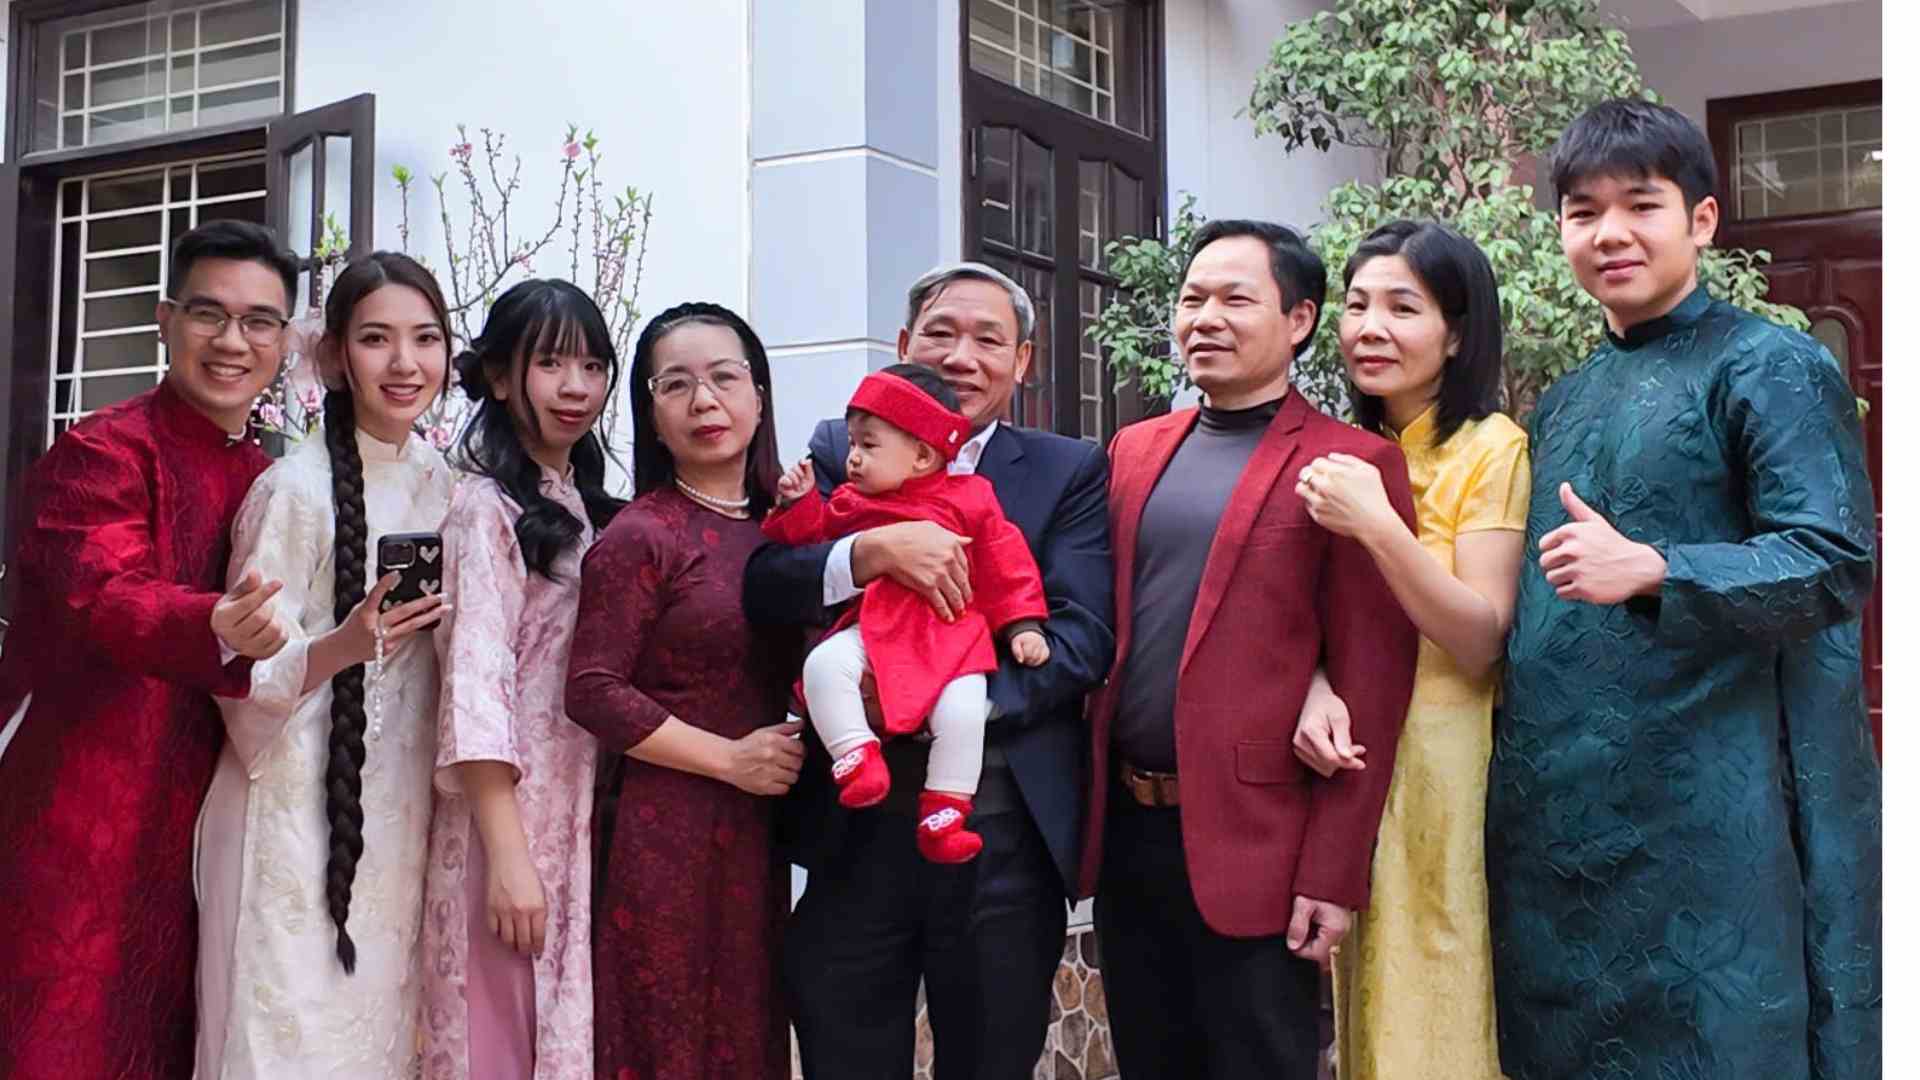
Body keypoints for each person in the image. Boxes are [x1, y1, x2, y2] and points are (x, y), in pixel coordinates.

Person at [1486, 99, 1880, 1080]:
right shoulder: (1564, 401)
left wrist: (1663, 567)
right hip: (1564, 825)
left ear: (1701, 220)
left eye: (1640, 205)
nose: (1609, 233)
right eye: (1583, 212)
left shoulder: (1770, 366)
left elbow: (1834, 558)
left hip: (1715, 825)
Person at [744, 262, 1115, 1080]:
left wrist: (937, 694)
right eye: (941, 334)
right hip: (855, 827)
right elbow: (769, 582)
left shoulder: (1068, 469)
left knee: (989, 1057)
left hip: (999, 824)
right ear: (906, 345)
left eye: (990, 339)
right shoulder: (843, 448)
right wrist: (865, 552)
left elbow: (1081, 638)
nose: (962, 356)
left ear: (1023, 363)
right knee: (844, 1046)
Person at [1079, 220, 1420, 1080]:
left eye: (1236, 299)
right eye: (1192, 299)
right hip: (1129, 833)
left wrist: (1333, 874)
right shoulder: (1133, 449)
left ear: (1300, 319)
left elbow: (1372, 678)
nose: (1206, 318)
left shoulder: (1354, 463)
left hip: (1261, 846)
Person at [0, 220, 297, 1079]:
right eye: (210, 314)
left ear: (286, 339)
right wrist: (210, 622)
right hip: (83, 813)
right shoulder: (101, 450)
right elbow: (103, 590)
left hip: (200, 827)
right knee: (60, 1036)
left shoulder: (265, 479)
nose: (233, 342)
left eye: (260, 321)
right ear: (166, 321)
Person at [194, 251, 454, 1077]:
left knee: (377, 1037)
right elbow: (236, 671)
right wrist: (344, 643)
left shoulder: (444, 481)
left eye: (425, 338)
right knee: (288, 1037)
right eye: (377, 339)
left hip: (396, 808)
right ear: (335, 355)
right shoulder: (293, 490)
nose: (404, 363)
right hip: (290, 809)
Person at [1283, 220, 1527, 1078]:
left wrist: (1380, 524)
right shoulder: (1340, 452)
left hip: (1443, 760)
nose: (1370, 328)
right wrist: (1313, 683)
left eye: (1403, 307)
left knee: (1437, 972)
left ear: (1457, 333)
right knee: (1366, 997)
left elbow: (1478, 637)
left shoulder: (1488, 448)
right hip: (1348, 759)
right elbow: (1298, 612)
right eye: (1356, 305)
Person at [564, 301, 803, 1080]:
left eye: (724, 377)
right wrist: (729, 760)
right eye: (676, 385)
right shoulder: (643, 534)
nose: (705, 401)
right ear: (652, 416)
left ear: (759, 395)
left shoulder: (792, 527)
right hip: (663, 830)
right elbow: (593, 689)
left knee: (748, 1031)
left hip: (763, 829)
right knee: (666, 1038)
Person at [421, 280, 626, 1080]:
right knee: (501, 1046)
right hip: (505, 819)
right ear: (502, 377)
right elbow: (473, 684)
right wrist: (506, 854)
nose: (576, 387)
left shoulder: (584, 505)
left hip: (578, 811)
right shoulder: (483, 507)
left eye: (592, 364)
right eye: (551, 363)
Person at [764, 364, 1051, 863]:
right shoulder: (855, 501)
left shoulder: (972, 499)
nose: (852, 458)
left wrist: (1022, 623)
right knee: (824, 666)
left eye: (868, 445)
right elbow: (816, 541)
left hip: (951, 636)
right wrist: (800, 502)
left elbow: (1006, 561)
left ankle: (946, 805)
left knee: (964, 714)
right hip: (874, 626)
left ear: (921, 455)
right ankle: (854, 753)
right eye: (853, 443)